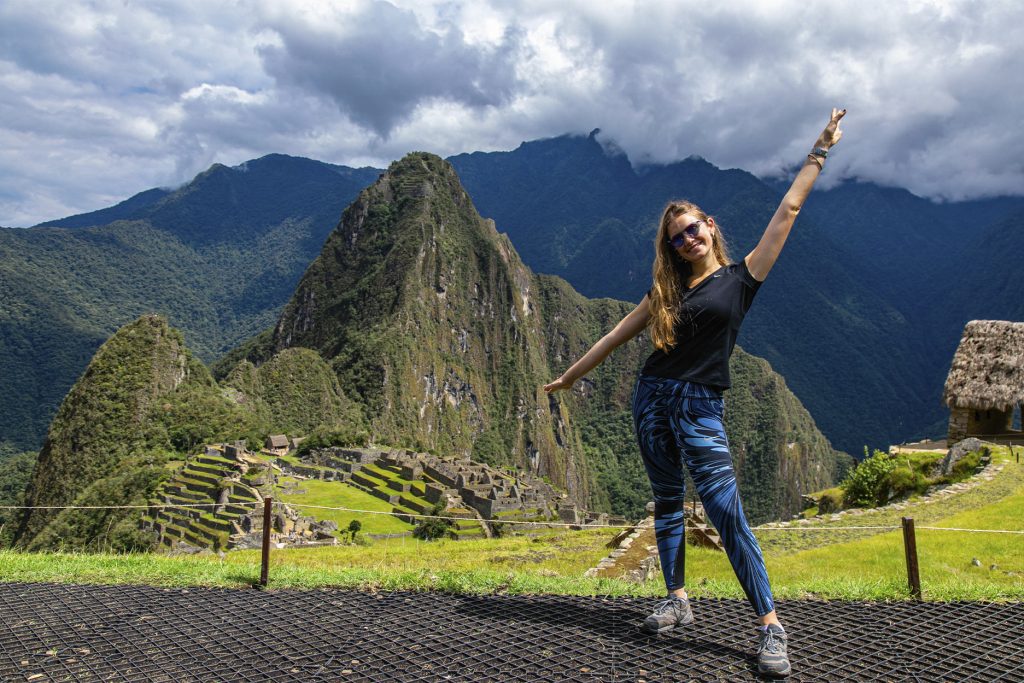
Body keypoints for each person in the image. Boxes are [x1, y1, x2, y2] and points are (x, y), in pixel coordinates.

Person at [544, 109, 846, 677]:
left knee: (727, 513)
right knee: (665, 503)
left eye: (692, 229)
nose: (687, 239)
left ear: (710, 225)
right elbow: (615, 335)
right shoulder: (667, 291)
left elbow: (789, 210)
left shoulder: (744, 277)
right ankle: (678, 600)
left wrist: (819, 150)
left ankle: (770, 626)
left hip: (701, 406)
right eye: (677, 237)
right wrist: (570, 378)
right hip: (652, 399)